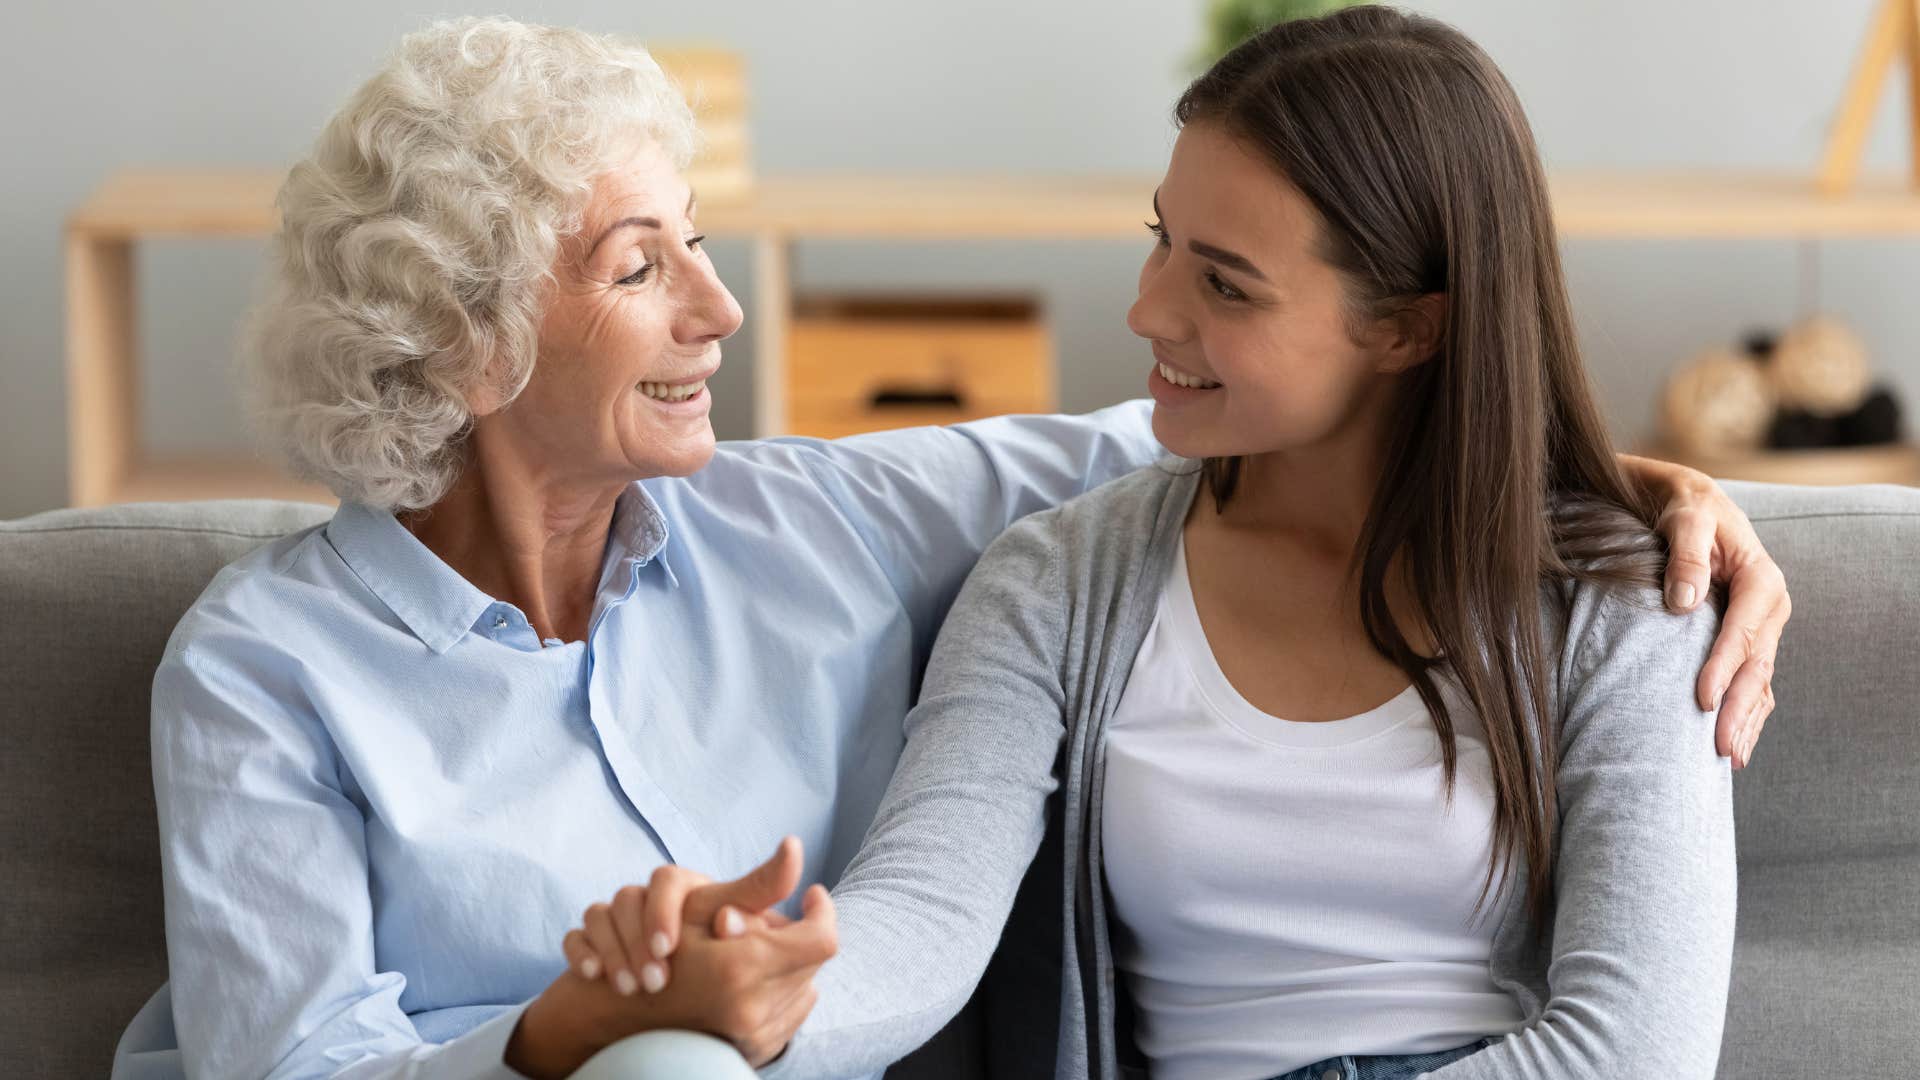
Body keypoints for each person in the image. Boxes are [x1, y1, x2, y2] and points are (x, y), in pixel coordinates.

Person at [111, 14, 1787, 1080]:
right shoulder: (269, 672)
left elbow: (1268, 422)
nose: (721, 308)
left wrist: (1609, 484)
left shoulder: (819, 520)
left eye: (700, 246)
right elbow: (906, 929)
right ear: (462, 341)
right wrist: (623, 1021)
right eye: (643, 270)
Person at [600, 8, 1764, 1080]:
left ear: (1410, 328)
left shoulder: (1627, 597)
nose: (1150, 310)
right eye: (1164, 240)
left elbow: (1632, 1050)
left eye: (1225, 284)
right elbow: (921, 922)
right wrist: (753, 990)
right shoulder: (1058, 583)